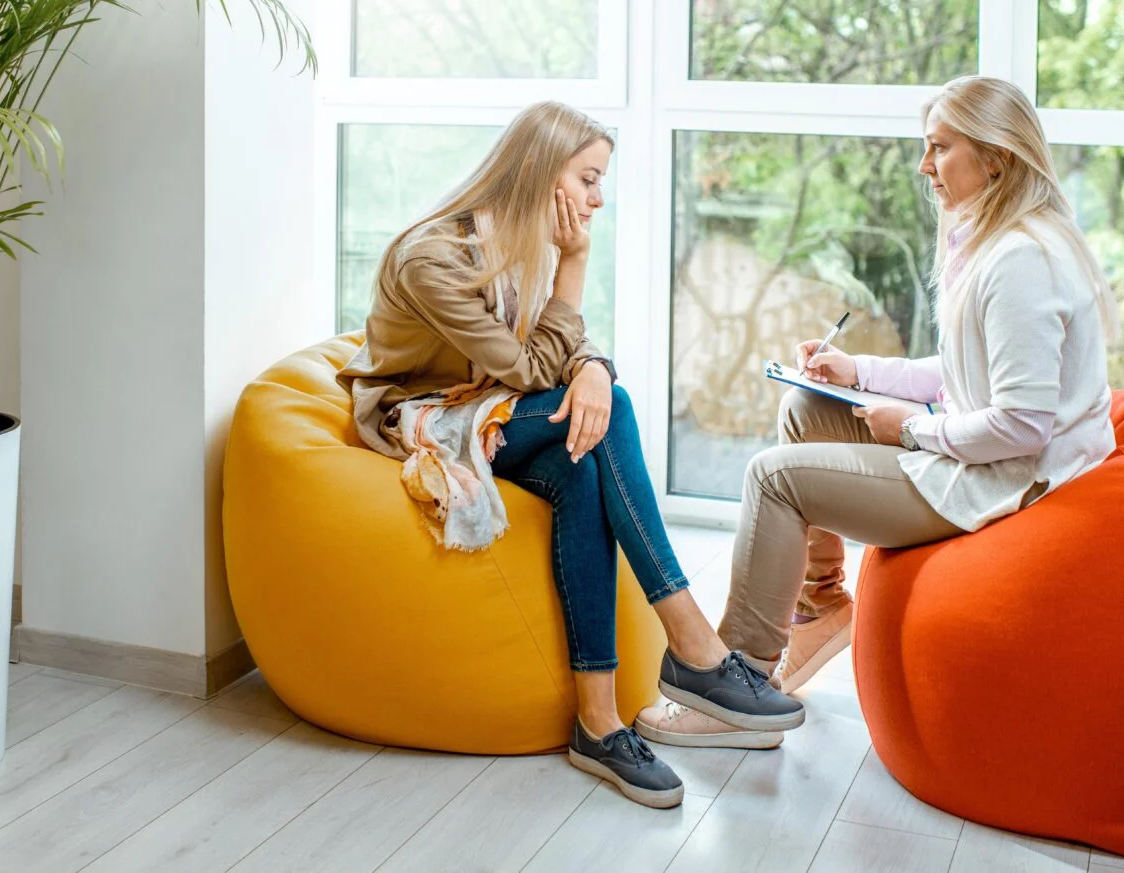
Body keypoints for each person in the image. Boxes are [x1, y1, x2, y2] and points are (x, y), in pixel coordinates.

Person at [337, 101, 804, 808]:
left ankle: (599, 721)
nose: (598, 197)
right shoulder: (431, 256)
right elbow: (527, 366)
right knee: (609, 412)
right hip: (427, 414)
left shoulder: (518, 242)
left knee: (583, 464)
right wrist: (578, 273)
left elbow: (561, 351)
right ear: (539, 169)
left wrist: (594, 365)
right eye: (588, 178)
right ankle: (694, 647)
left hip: (489, 405)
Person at [635, 75, 1121, 748]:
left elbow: (1020, 426)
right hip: (986, 454)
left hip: (1006, 481)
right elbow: (961, 372)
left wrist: (912, 426)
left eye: (939, 148)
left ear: (997, 158)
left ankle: (733, 690)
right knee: (807, 406)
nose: (925, 167)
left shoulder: (1021, 262)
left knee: (775, 478)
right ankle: (821, 602)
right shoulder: (992, 240)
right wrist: (857, 372)